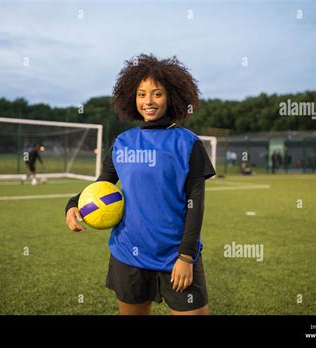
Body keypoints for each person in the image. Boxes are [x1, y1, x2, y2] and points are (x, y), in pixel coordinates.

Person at [65, 54, 215, 315]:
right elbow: (102, 185)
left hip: (175, 255)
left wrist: (186, 256)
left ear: (171, 97)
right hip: (128, 254)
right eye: (141, 94)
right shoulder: (123, 142)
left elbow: (196, 205)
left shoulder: (188, 143)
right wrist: (71, 204)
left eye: (157, 94)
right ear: (132, 98)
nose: (148, 101)